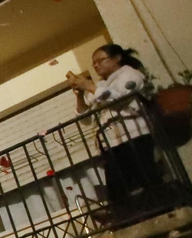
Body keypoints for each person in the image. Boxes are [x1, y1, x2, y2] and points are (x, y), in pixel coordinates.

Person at [68, 43, 165, 218]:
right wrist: (80, 96)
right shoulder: (101, 85)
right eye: (94, 63)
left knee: (146, 174)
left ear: (117, 58)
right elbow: (86, 119)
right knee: (116, 184)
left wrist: (89, 86)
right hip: (112, 141)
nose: (96, 65)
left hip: (134, 134)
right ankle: (123, 217)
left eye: (100, 60)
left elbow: (120, 98)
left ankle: (163, 209)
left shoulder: (130, 74)